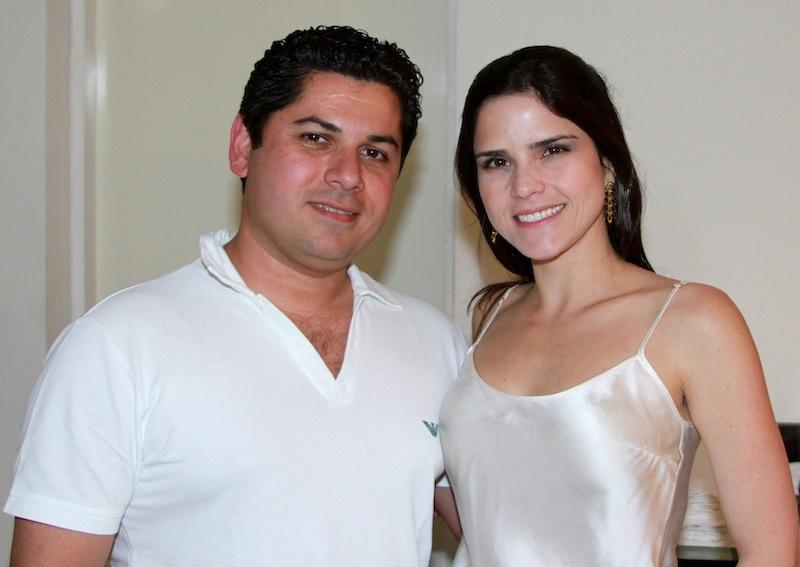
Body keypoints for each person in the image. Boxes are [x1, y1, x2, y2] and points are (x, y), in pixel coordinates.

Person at [5, 26, 465, 567]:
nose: (348, 176)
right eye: (315, 138)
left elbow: (508, 529)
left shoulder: (435, 341)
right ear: (243, 147)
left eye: (375, 152)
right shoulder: (117, 346)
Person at [440, 45, 798, 566]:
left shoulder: (694, 322)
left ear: (607, 163)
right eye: (497, 162)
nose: (524, 185)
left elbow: (773, 553)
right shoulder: (488, 316)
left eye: (552, 150)